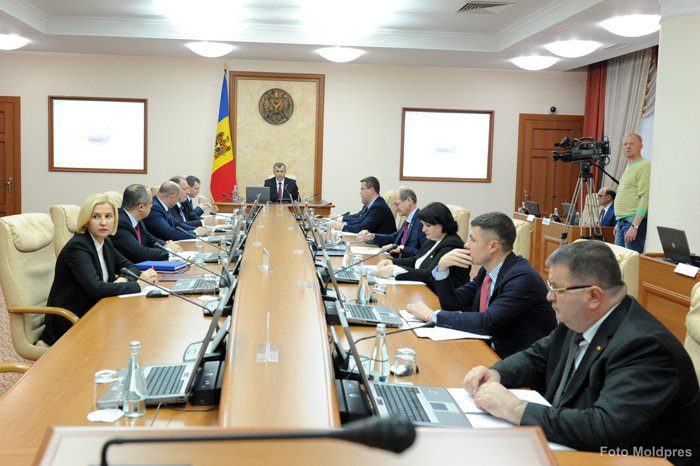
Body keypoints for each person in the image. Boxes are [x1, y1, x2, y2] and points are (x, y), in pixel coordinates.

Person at [463, 241, 700, 465]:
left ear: (593, 296)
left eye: (556, 288)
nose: (548, 296)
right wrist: (497, 373)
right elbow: (537, 357)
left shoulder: (645, 347)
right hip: (573, 448)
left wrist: (514, 408)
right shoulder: (580, 319)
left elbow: (605, 430)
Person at [405, 212, 556, 358]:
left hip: (516, 361)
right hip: (488, 349)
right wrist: (442, 268)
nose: (466, 245)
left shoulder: (523, 278)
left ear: (493, 246)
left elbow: (486, 321)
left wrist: (431, 315)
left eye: (473, 240)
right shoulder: (487, 271)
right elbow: (452, 303)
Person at [41, 193, 159, 345]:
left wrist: (123, 279)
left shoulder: (105, 242)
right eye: (96, 217)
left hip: (97, 310)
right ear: (86, 221)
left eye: (108, 216)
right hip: (72, 322)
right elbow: (96, 289)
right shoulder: (78, 248)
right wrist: (138, 285)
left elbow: (131, 267)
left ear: (115, 219)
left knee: (141, 325)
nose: (103, 222)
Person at [374, 202, 468, 290]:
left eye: (428, 225)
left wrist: (395, 270)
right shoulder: (434, 238)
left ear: (442, 224)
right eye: (423, 225)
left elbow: (430, 275)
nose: (423, 230)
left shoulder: (451, 244)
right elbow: (416, 260)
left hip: (438, 295)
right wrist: (392, 262)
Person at [112, 184, 183, 263]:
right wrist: (169, 251)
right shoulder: (120, 223)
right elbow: (140, 253)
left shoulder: (137, 219)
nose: (152, 206)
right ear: (141, 207)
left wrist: (167, 245)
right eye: (150, 203)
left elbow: (152, 240)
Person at [357, 188, 426, 257]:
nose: (395, 209)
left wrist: (401, 249)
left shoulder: (422, 222)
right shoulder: (408, 220)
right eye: (394, 205)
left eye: (397, 204)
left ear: (409, 201)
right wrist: (372, 236)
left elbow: (424, 253)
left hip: (406, 262)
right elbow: (393, 237)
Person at [614, 133, 651, 253]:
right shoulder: (629, 166)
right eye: (625, 144)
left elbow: (645, 197)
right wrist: (619, 221)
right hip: (622, 223)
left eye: (631, 143)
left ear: (641, 146)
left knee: (631, 262)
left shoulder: (644, 165)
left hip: (633, 223)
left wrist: (634, 226)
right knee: (619, 261)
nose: (627, 147)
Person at [143, 181, 210, 241]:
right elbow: (170, 233)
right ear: (173, 197)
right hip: (161, 246)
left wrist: (198, 229)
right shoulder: (154, 209)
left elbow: (178, 224)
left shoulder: (163, 204)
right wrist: (195, 233)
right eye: (177, 199)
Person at [330, 176, 395, 234]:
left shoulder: (378, 207)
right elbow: (358, 219)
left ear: (371, 190)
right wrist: (342, 221)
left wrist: (342, 226)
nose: (360, 192)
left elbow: (362, 228)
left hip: (382, 243)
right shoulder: (370, 204)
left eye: (362, 189)